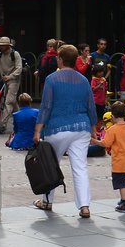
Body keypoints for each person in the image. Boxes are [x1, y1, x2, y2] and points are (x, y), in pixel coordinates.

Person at [33, 43, 99, 218]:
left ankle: (47, 201)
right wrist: (93, 128)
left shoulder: (52, 79)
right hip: (81, 127)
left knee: (50, 165)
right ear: (76, 60)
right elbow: (90, 106)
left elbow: (46, 106)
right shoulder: (83, 80)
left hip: (57, 128)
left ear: (60, 59)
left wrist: (38, 130)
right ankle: (84, 206)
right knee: (80, 167)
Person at [0, 37, 22, 134]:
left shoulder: (15, 54)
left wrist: (10, 76)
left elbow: (19, 68)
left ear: (8, 46)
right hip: (6, 80)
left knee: (8, 102)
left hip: (14, 80)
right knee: (13, 102)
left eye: (2, 45)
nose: (0, 47)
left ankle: (2, 124)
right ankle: (22, 120)